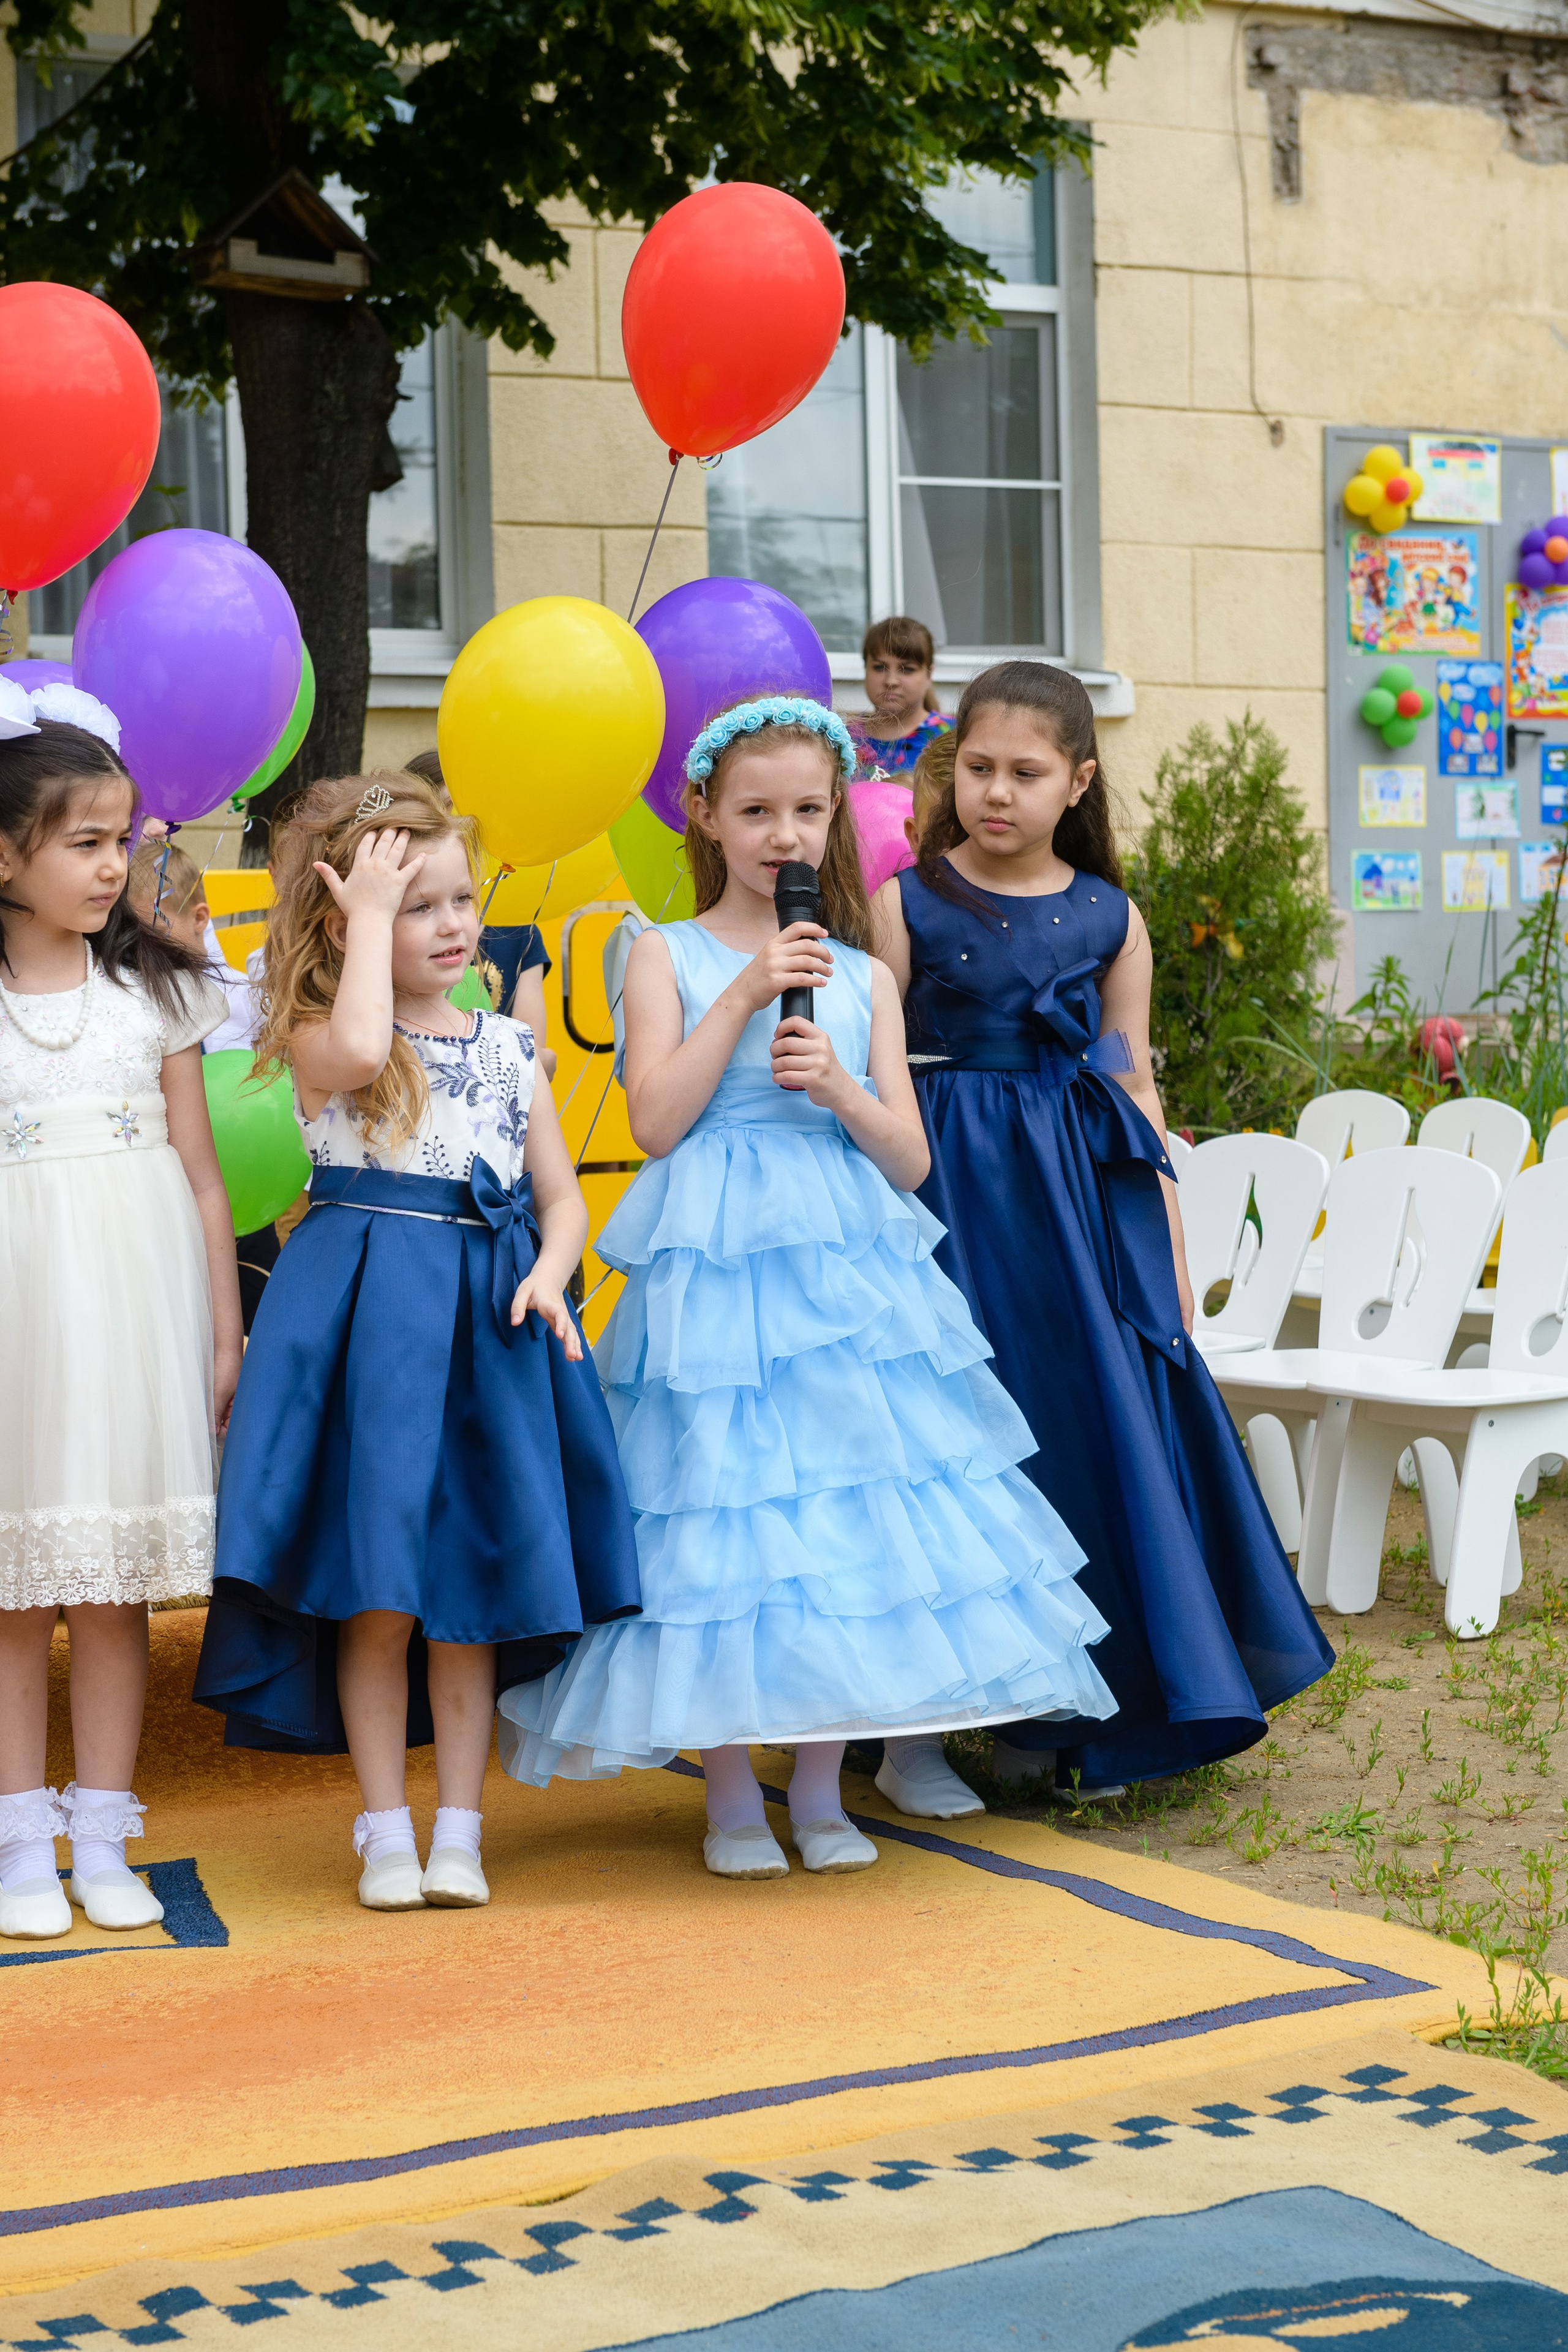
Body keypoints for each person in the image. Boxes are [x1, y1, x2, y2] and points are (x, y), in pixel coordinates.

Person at [496, 695, 1115, 1876]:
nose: (783, 835)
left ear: (835, 819)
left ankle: (824, 1788)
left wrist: (835, 1083)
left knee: (840, 1513)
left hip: (842, 1269)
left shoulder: (867, 976)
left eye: (807, 811)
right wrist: (739, 996)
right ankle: (732, 1797)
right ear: (709, 817)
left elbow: (911, 1157)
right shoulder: (662, 953)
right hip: (718, 1271)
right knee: (723, 1515)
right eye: (757, 811)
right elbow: (659, 1122)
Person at [873, 662, 1333, 1796]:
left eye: (1026, 773)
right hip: (943, 1187)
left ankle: (1075, 1712)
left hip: (1072, 1205)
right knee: (947, 1429)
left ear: (1077, 781)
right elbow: (871, 1059)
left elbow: (1133, 1088)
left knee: (1078, 1422)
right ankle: (914, 1727)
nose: (998, 792)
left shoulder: (1110, 916)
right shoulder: (905, 901)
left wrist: (1166, 1246)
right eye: (978, 767)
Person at [192, 773, 639, 1912]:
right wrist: (367, 922)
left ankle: (461, 1832)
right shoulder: (327, 1035)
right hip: (367, 1331)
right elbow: (350, 1051)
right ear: (351, 923)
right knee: (381, 1586)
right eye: (416, 904)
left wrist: (547, 1269)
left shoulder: (504, 1048)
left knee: (466, 1588)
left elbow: (560, 1198)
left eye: (458, 900)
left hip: (485, 1328)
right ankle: (383, 1827)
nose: (451, 925)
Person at [0, 714, 240, 1943]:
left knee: (111, 1597)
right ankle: (17, 1843)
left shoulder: (159, 990)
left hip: (135, 1318)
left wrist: (217, 1329)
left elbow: (203, 1176)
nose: (109, 865)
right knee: (14, 1591)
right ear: (2, 856)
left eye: (118, 840)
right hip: (21, 1326)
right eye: (82, 842)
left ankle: (100, 1831)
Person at [127, 837, 280, 1328]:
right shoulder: (134, 1004)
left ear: (199, 919)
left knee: (256, 1301)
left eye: (156, 935)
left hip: (249, 1186)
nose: (143, 954)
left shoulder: (240, 997)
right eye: (129, 942)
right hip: (168, 1194)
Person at [404, 749, 556, 1078]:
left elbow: (536, 1060)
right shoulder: (387, 934)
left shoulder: (519, 932)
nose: (457, 828)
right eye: (445, 811)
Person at [847, 618, 953, 779]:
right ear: (865, 668)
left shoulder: (954, 736)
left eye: (907, 669)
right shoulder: (845, 739)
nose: (891, 681)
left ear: (929, 674)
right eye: (880, 667)